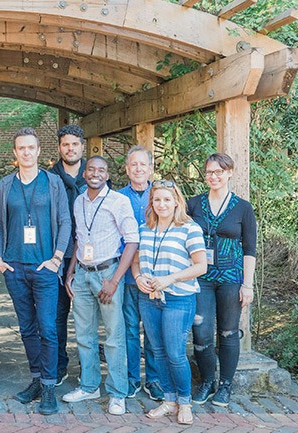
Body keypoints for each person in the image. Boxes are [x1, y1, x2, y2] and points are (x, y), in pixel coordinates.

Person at [0, 128, 70, 415]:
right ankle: (37, 379)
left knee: (48, 329)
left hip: (45, 268)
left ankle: (50, 386)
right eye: (21, 148)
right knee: (27, 328)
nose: (26, 152)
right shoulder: (5, 186)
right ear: (15, 153)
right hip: (14, 267)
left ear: (39, 151)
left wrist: (57, 258)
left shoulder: (53, 183)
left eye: (31, 148)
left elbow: (65, 221)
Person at [62, 156, 138, 416]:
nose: (96, 173)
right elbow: (79, 239)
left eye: (101, 170)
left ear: (107, 174)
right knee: (84, 334)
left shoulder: (119, 201)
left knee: (114, 337)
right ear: (85, 173)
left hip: (108, 273)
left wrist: (115, 280)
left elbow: (131, 242)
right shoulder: (79, 200)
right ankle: (90, 385)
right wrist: (70, 272)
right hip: (82, 274)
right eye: (91, 169)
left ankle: (118, 393)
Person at [131, 180, 207, 425]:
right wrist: (139, 277)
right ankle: (169, 399)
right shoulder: (145, 229)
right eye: (157, 200)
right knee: (158, 352)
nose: (161, 204)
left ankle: (185, 403)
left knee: (175, 353)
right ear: (151, 203)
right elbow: (135, 261)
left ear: (176, 201)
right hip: (149, 298)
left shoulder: (189, 228)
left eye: (166, 199)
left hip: (179, 299)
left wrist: (170, 279)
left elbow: (201, 266)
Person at [188, 153, 257, 407]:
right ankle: (207, 381)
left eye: (219, 172)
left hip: (231, 279)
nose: (213, 176)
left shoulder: (242, 208)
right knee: (201, 332)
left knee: (228, 332)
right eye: (209, 172)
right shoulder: (193, 204)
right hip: (200, 277)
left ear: (229, 173)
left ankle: (226, 386)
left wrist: (247, 285)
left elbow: (250, 249)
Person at [117, 146, 163, 401]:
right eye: (133, 165)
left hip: (154, 275)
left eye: (142, 165)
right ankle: (132, 378)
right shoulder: (116, 197)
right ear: (126, 169)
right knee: (130, 330)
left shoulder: (161, 196)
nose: (138, 169)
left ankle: (153, 379)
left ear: (150, 168)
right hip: (126, 276)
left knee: (153, 331)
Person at [47, 124, 87, 385]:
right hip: (58, 255)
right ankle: (59, 366)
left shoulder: (95, 174)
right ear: (59, 147)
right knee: (58, 315)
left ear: (82, 145)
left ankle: (89, 368)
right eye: (65, 144)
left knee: (87, 317)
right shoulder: (49, 178)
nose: (70, 148)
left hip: (88, 257)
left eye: (74, 144)